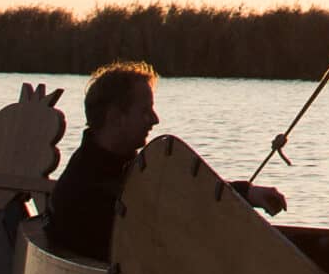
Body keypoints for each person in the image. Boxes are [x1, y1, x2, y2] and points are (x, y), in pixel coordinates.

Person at [44, 61, 286, 259]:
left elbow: (183, 191)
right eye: (145, 111)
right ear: (116, 117)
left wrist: (248, 194)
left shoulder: (125, 168)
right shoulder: (86, 190)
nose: (155, 119)